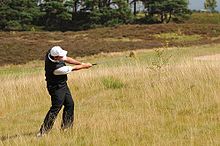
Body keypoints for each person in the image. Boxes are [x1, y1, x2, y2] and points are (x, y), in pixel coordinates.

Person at [37, 46, 92, 137]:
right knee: (56, 108)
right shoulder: (57, 69)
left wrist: (82, 63)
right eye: (60, 56)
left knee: (70, 104)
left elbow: (67, 59)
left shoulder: (50, 53)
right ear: (55, 57)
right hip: (56, 88)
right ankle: (43, 131)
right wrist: (85, 66)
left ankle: (66, 127)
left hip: (62, 84)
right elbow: (73, 68)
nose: (63, 57)